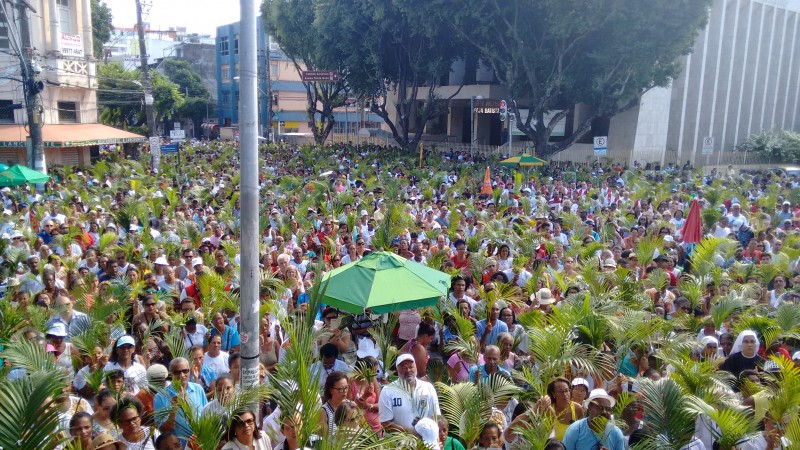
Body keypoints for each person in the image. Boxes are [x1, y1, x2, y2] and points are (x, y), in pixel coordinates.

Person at [378, 354, 440, 433]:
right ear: (397, 370)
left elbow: (436, 417)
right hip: (398, 443)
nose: (408, 370)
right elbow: (385, 423)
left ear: (416, 367)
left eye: (411, 367)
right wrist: (412, 433)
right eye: (403, 368)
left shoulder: (428, 388)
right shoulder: (387, 391)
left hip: (425, 441)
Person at [153, 357, 208, 442]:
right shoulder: (160, 397)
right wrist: (173, 410)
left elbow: (207, 416)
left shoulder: (198, 389)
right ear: (171, 374)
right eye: (177, 372)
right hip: (179, 446)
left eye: (185, 371)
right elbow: (163, 430)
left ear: (189, 371)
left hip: (201, 443)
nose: (182, 375)